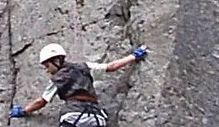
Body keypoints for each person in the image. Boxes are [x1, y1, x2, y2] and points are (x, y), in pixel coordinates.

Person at [9, 42, 148, 125]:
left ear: (56, 61)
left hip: (73, 116)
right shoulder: (84, 67)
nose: (47, 70)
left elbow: (42, 101)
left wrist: (23, 111)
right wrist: (134, 56)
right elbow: (111, 67)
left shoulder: (57, 79)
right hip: (96, 117)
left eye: (47, 66)